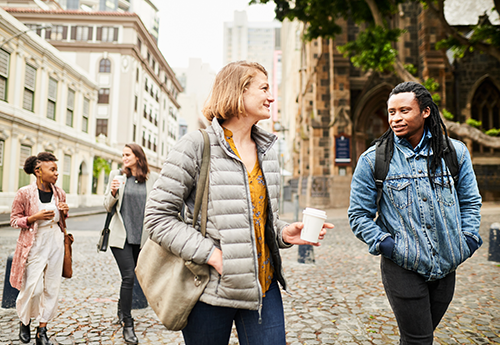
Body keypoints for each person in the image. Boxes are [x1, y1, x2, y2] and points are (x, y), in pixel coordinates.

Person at [144, 61, 334, 345]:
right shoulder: (197, 145)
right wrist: (213, 255)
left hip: (262, 288)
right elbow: (158, 218)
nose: (271, 97)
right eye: (264, 88)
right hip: (209, 290)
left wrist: (283, 232)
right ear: (238, 92)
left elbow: (258, 216)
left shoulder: (268, 153)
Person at [348, 81, 482, 344]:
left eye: (404, 110)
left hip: (447, 264)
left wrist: (466, 242)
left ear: (425, 112)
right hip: (402, 267)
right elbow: (358, 216)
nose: (396, 118)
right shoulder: (372, 160)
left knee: (418, 337)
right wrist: (389, 246)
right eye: (391, 112)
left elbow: (470, 202)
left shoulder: (455, 153)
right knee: (419, 339)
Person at [10, 152, 69, 345]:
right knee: (32, 288)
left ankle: (42, 330)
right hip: (34, 243)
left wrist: (64, 212)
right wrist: (34, 217)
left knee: (52, 287)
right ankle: (24, 320)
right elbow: (14, 220)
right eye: (52, 169)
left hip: (56, 242)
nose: (56, 173)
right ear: (38, 171)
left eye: (56, 169)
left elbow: (61, 220)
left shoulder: (59, 192)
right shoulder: (24, 193)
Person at [103, 143, 158, 344]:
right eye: (123, 154)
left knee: (134, 276)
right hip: (121, 237)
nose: (124, 157)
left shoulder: (153, 179)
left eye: (128, 154)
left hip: (142, 238)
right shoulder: (117, 176)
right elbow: (107, 206)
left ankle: (120, 308)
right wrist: (113, 192)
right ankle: (127, 322)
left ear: (138, 156)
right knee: (128, 277)